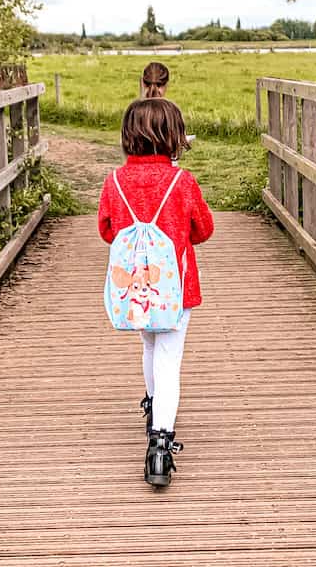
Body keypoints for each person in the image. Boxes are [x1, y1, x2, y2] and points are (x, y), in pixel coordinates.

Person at [98, 98, 214, 486]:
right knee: (170, 358)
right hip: (176, 287)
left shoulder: (114, 181)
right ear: (173, 137)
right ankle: (160, 445)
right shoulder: (183, 182)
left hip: (136, 289)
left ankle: (153, 408)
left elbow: (107, 230)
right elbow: (204, 229)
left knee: (149, 346)